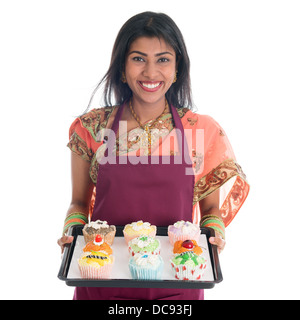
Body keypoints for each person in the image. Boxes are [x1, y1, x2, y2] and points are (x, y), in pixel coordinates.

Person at [57, 11, 249, 300]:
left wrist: (213, 237)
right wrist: (72, 234)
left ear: (177, 68)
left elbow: (210, 212)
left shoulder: (201, 131)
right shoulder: (92, 128)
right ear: (122, 67)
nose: (150, 72)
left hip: (179, 281)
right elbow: (79, 203)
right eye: (138, 59)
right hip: (102, 278)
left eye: (162, 59)